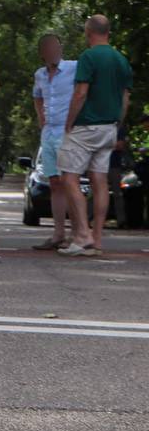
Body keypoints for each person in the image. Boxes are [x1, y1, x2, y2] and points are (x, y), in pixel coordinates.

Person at [57, 15, 134, 257]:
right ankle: (97, 238)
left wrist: (69, 122)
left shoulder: (88, 57)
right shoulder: (121, 60)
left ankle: (82, 235)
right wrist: (116, 124)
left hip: (86, 126)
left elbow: (81, 93)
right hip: (109, 127)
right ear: (108, 32)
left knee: (69, 179)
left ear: (88, 32)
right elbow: (125, 98)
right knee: (99, 181)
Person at [30, 34, 77, 250]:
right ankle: (58, 233)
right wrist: (41, 118)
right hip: (48, 133)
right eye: (49, 48)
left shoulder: (73, 68)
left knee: (70, 183)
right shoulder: (39, 74)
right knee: (55, 184)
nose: (53, 52)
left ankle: (78, 233)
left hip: (68, 132)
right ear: (43, 53)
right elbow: (37, 96)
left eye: (56, 47)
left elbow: (87, 90)